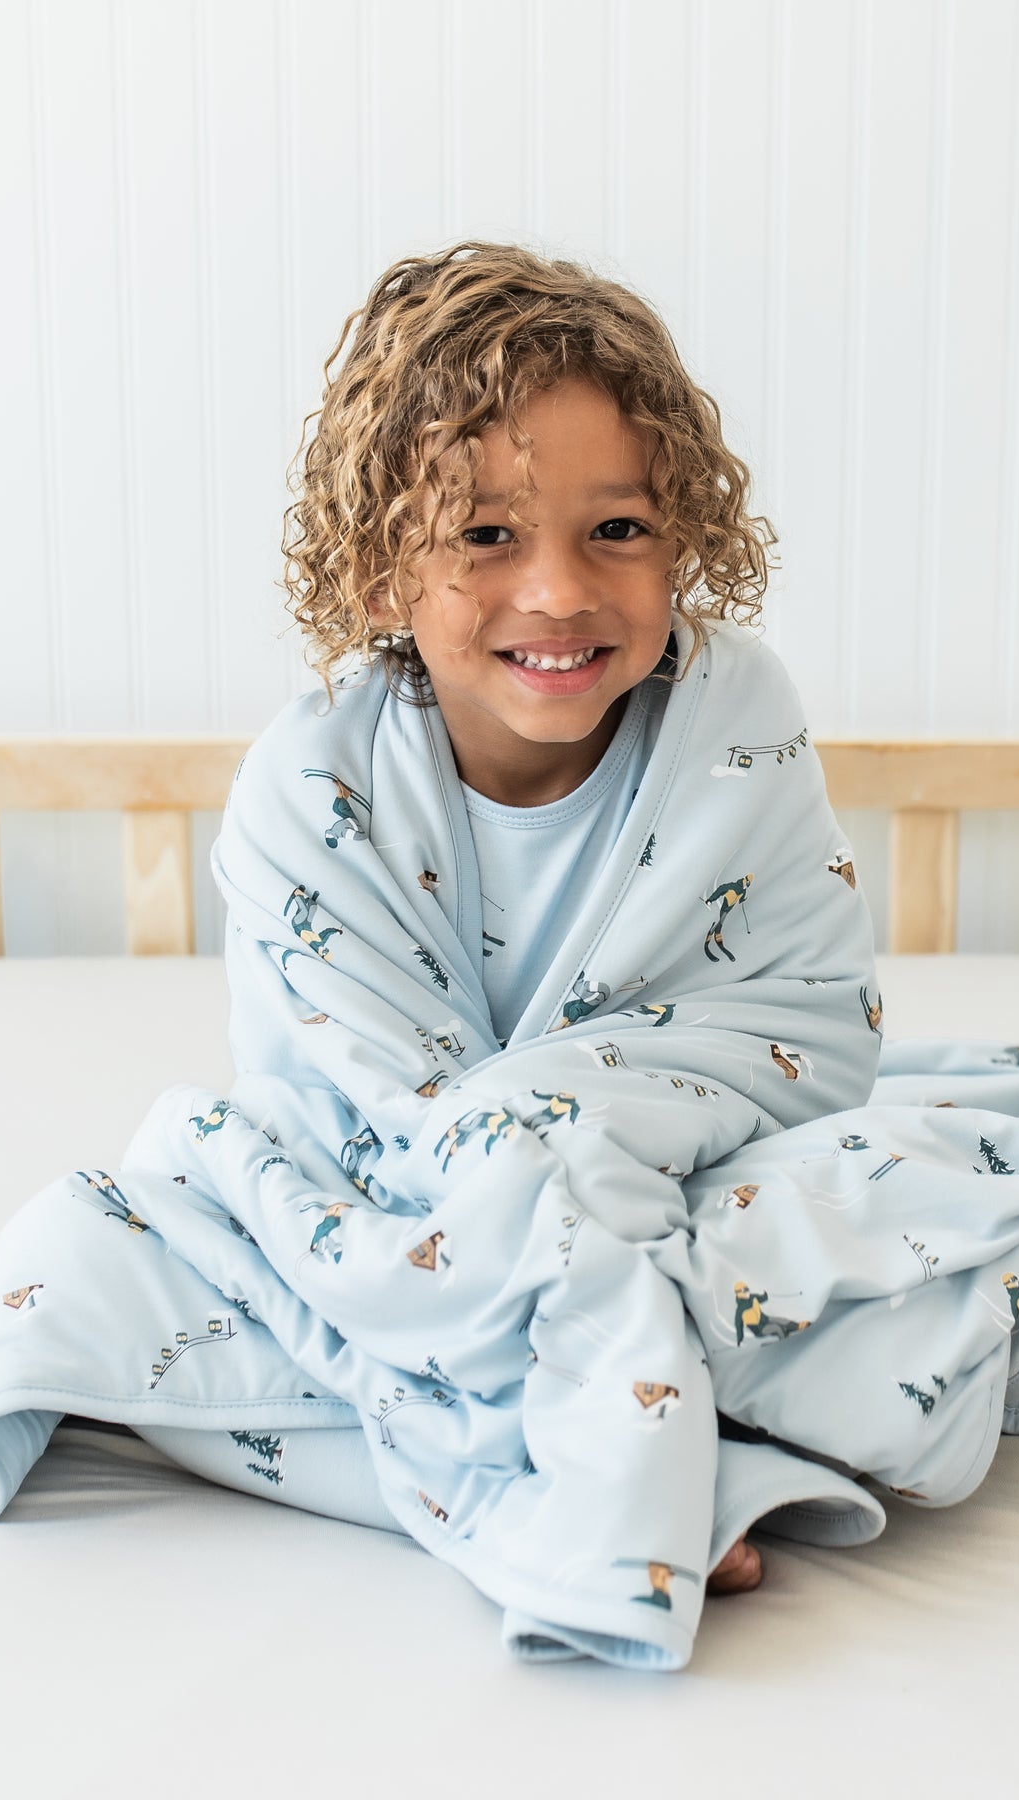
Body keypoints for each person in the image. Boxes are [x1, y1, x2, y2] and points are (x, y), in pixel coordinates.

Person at [277, 239, 780, 1594]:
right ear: (383, 571)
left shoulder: (736, 727)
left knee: (926, 1220)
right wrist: (530, 1153)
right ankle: (634, 1463)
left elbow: (802, 1040)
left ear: (684, 537)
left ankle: (622, 1430)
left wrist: (573, 1136)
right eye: (484, 535)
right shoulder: (317, 785)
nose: (558, 593)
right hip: (401, 1192)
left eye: (616, 529)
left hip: (687, 1172)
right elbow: (366, 1105)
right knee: (126, 1256)